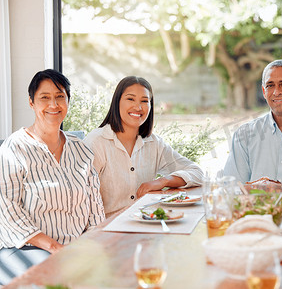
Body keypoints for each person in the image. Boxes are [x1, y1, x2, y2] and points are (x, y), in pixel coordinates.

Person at [0, 69, 105, 285]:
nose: (53, 105)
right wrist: (56, 248)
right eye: (44, 98)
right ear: (32, 102)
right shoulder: (14, 147)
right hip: (26, 249)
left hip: (75, 250)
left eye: (60, 97)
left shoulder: (81, 150)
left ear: (68, 101)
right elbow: (8, 212)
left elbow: (96, 212)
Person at [84, 76, 203, 217]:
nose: (138, 107)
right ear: (117, 102)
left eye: (145, 101)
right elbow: (82, 199)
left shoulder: (154, 143)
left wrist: (162, 181)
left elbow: (197, 173)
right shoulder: (96, 143)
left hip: (144, 224)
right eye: (130, 99)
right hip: (106, 229)